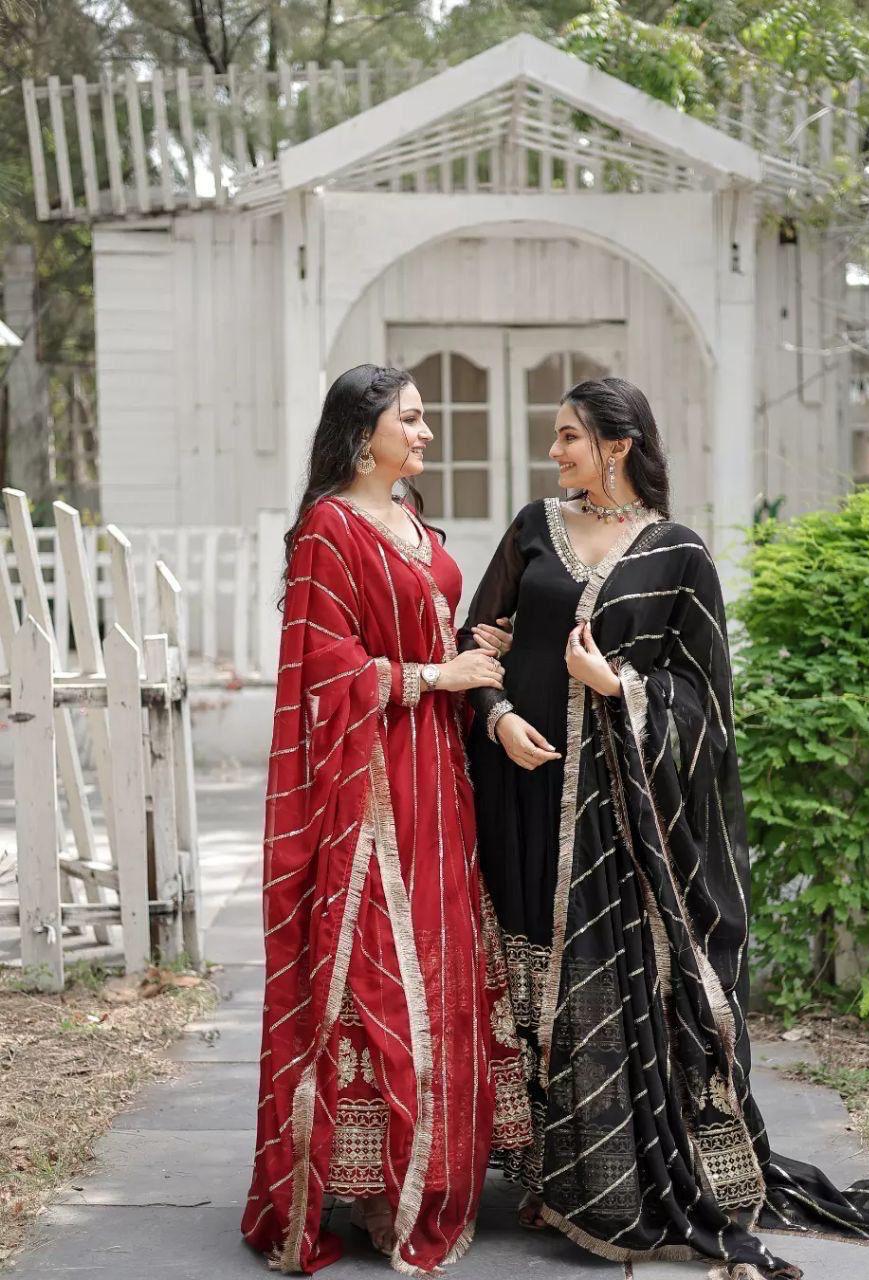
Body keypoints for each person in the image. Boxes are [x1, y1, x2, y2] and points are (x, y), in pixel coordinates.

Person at [459, 376, 869, 1278]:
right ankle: (541, 1168)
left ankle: (604, 1181)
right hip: (521, 793)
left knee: (596, 984)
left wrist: (619, 688)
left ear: (616, 445)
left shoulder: (679, 554)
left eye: (568, 436)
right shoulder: (533, 528)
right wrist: (495, 717)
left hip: (617, 823)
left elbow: (706, 706)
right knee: (526, 975)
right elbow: (477, 640)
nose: (554, 451)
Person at [242, 365, 529, 1276]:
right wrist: (434, 676)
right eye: (410, 418)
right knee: (376, 961)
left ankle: (432, 1171)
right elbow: (321, 669)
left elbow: (429, 630)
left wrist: (473, 652)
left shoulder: (412, 519)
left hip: (438, 770)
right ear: (363, 433)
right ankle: (380, 1184)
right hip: (370, 782)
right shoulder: (329, 529)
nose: (426, 432)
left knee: (444, 957)